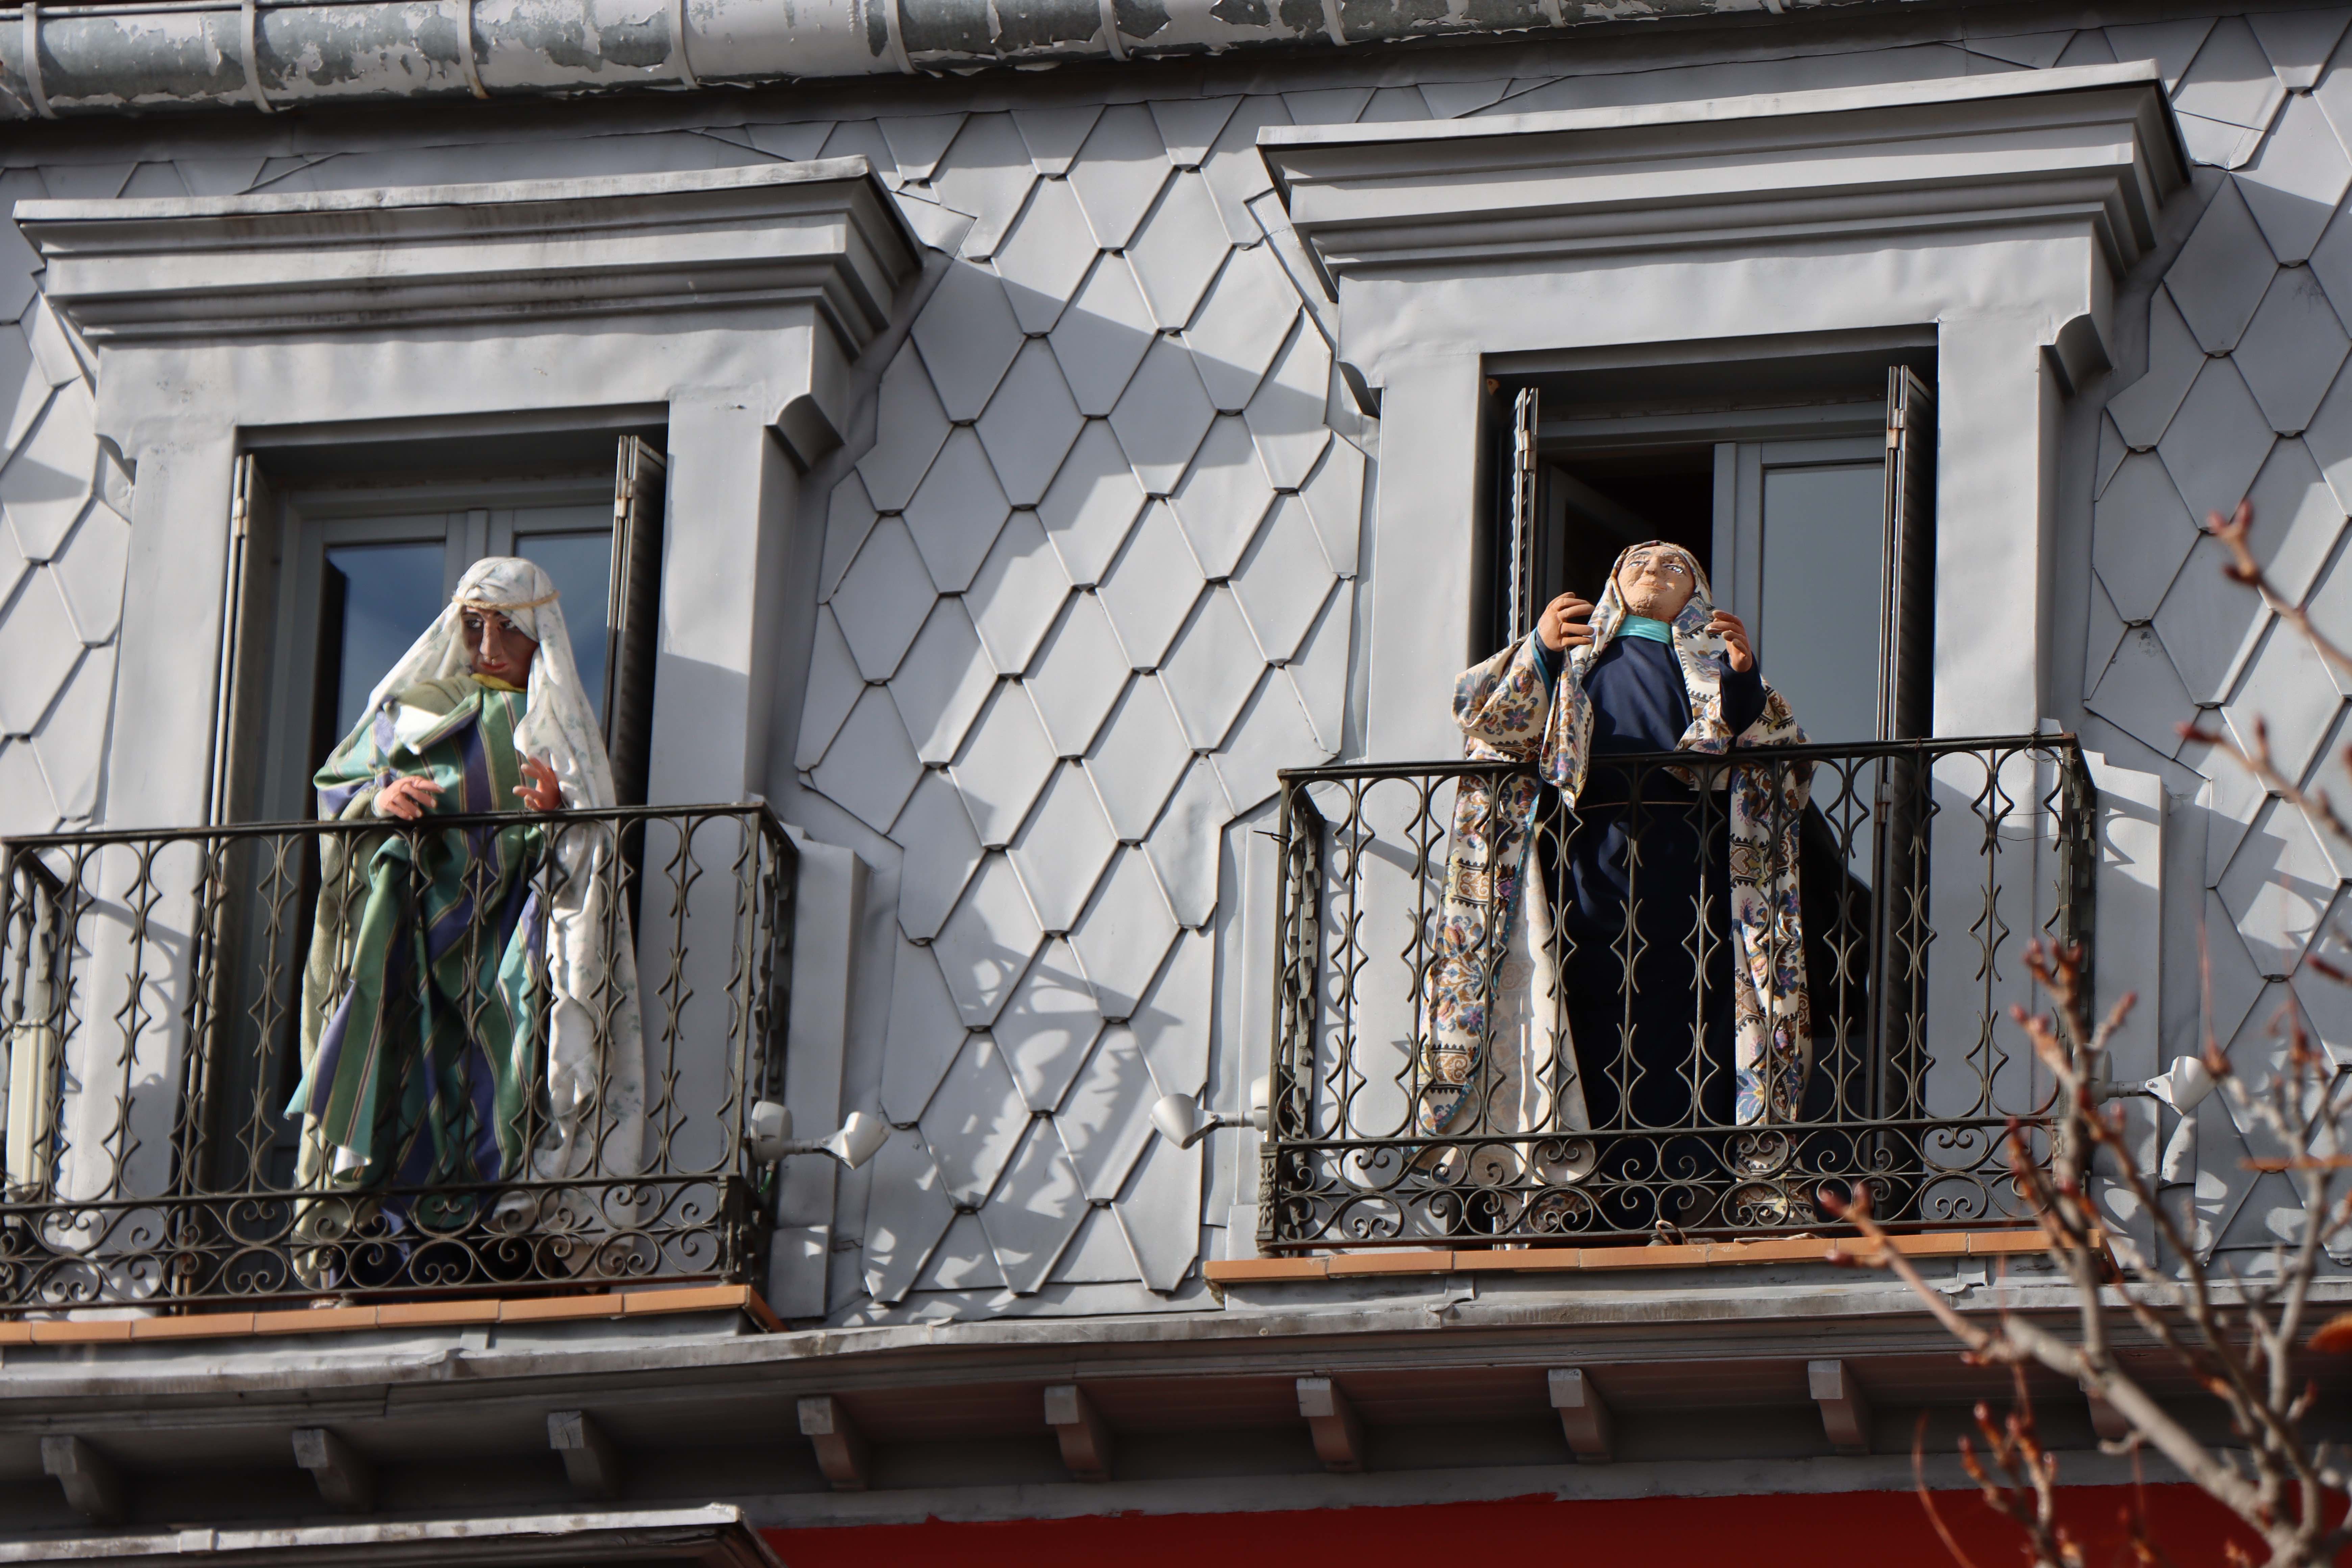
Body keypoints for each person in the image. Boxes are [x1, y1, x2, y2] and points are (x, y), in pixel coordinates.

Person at [1420, 541, 1811, 1235]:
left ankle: (1685, 1187)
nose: (1654, 570)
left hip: (1689, 879)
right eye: (1639, 562)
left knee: (1692, 1022)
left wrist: (1744, 678)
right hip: (1585, 870)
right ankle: (1579, 1190)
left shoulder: (1712, 663)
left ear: (1697, 592)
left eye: (1674, 565)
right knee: (1583, 1016)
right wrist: (1541, 650)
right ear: (1613, 582)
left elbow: (1774, 752)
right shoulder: (1578, 657)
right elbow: (1491, 720)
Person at [290, 557, 645, 1266]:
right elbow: (339, 781)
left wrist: (557, 813)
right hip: (416, 927)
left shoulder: (558, 728)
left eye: (506, 628)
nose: (488, 646)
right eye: (475, 626)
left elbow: (587, 845)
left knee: (509, 1064)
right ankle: (386, 1224)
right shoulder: (418, 706)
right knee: (402, 1064)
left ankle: (500, 1219)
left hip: (513, 929)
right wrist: (381, 798)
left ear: (540, 634)